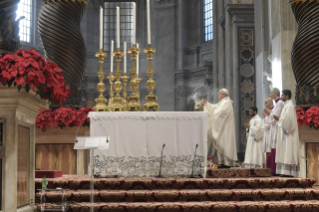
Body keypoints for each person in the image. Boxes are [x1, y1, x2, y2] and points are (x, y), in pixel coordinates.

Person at [202, 89, 237, 168]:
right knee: (220, 142)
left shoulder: (227, 102)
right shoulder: (222, 102)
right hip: (222, 128)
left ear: (224, 94)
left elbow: (221, 113)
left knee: (224, 143)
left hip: (225, 128)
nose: (218, 95)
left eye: (219, 93)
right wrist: (207, 104)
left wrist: (215, 110)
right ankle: (220, 162)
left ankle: (226, 162)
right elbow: (215, 107)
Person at [273, 89, 300, 177]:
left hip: (288, 134)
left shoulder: (289, 106)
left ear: (287, 96)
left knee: (288, 150)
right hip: (284, 132)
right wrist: (280, 119)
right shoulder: (286, 105)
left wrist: (279, 119)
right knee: (284, 150)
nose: (281, 97)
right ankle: (285, 172)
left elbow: (288, 120)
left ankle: (289, 173)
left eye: (282, 95)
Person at [263, 87, 285, 175]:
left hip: (276, 128)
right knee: (273, 149)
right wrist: (269, 115)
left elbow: (276, 117)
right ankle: (273, 170)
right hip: (273, 128)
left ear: (275, 93)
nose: (270, 94)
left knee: (275, 149)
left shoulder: (279, 103)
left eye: (271, 93)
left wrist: (269, 114)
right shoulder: (277, 104)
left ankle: (275, 170)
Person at [262, 98, 274, 169]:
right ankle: (268, 169)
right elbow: (264, 125)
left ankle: (270, 169)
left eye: (266, 103)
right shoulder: (267, 111)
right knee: (268, 152)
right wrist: (265, 118)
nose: (265, 104)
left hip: (271, 133)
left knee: (270, 152)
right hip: (267, 133)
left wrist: (265, 117)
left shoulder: (272, 110)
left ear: (270, 102)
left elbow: (269, 124)